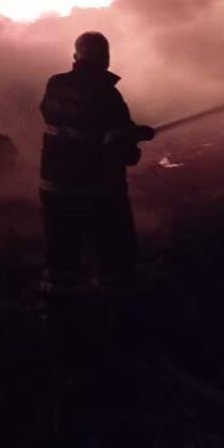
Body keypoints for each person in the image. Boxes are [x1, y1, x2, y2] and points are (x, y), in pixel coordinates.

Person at [38, 32, 154, 303]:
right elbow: (121, 150)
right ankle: (118, 311)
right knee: (114, 257)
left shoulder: (55, 85)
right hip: (96, 193)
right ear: (106, 58)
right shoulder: (107, 95)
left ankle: (57, 310)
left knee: (61, 254)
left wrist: (132, 131)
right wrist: (133, 140)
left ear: (76, 56)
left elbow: (70, 122)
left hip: (54, 187)